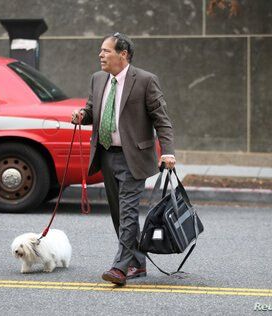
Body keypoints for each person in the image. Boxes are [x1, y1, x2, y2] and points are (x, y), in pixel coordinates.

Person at [72, 33, 175, 285]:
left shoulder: (146, 80)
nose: (101, 55)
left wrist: (169, 151)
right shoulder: (97, 79)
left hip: (133, 157)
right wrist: (81, 115)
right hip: (106, 154)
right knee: (119, 214)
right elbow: (92, 110)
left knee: (128, 213)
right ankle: (138, 264)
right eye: (101, 51)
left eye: (106, 51)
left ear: (123, 55)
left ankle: (120, 267)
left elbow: (162, 119)